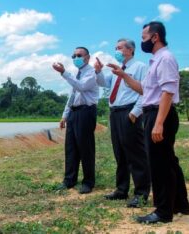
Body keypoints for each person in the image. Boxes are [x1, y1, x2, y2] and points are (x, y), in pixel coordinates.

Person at [109, 21, 189, 224]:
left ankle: (163, 212)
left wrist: (159, 122)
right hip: (155, 112)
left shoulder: (166, 59)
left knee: (159, 165)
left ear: (155, 37)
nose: (142, 41)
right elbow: (146, 90)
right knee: (169, 161)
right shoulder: (156, 60)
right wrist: (125, 76)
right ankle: (180, 203)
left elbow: (168, 91)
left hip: (159, 113)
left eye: (144, 38)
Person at [94, 39, 150, 208]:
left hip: (129, 112)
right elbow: (105, 83)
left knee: (135, 154)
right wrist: (98, 72)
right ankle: (121, 189)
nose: (116, 50)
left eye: (119, 48)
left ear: (130, 50)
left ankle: (141, 193)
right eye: (115, 48)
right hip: (115, 113)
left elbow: (145, 91)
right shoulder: (117, 70)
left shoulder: (140, 67)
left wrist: (135, 112)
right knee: (120, 153)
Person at [52, 46, 99, 194]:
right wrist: (64, 115)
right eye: (74, 56)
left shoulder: (91, 73)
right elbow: (72, 97)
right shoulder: (76, 75)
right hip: (74, 113)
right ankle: (69, 180)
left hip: (86, 112)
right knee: (71, 148)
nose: (76, 58)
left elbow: (82, 87)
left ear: (87, 57)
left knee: (86, 148)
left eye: (79, 55)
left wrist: (64, 73)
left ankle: (88, 182)